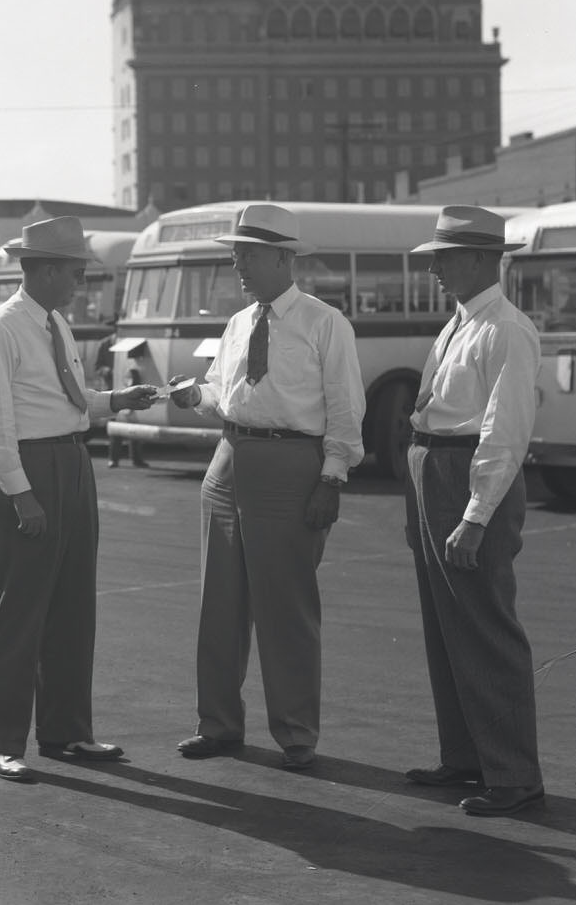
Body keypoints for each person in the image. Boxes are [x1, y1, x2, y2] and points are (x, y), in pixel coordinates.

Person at [168, 203, 365, 772]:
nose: (238, 265)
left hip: (289, 465)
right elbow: (222, 397)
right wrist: (194, 398)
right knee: (218, 605)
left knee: (286, 607)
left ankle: (297, 733)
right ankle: (219, 724)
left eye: (248, 254)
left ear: (284, 257)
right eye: (235, 255)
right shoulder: (236, 324)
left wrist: (331, 478)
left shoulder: (325, 324)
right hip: (228, 462)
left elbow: (345, 411)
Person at [0, 216, 162, 783]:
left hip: (72, 462)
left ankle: (67, 730)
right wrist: (21, 494)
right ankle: (8, 742)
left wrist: (116, 401)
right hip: (29, 470)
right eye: (75, 271)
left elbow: (67, 401)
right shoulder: (0, 329)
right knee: (23, 612)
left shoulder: (55, 324)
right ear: (45, 269)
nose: (80, 281)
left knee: (74, 607)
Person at [402, 206, 545, 817]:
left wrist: (475, 514)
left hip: (466, 473)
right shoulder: (461, 323)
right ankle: (465, 756)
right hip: (434, 468)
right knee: (445, 623)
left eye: (446, 256)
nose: (435, 268)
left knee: (484, 623)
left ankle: (513, 773)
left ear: (486, 259)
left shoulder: (506, 329)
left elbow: (504, 432)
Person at [107, 365, 150, 469]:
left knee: (134, 431)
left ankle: (136, 459)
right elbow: (100, 368)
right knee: (117, 430)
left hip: (125, 397)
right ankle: (114, 459)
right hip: (115, 396)